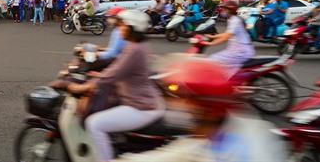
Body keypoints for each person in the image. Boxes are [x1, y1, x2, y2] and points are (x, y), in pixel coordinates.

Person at [120, 58, 287, 162]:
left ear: (205, 108)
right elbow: (175, 154)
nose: (178, 105)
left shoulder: (242, 145)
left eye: (186, 100)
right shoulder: (211, 136)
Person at [67, 9, 165, 162]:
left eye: (123, 26)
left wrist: (83, 87)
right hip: (141, 100)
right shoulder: (137, 45)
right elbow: (117, 69)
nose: (119, 29)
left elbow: (113, 73)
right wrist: (98, 76)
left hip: (140, 106)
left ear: (132, 28)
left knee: (94, 124)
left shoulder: (134, 50)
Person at [203, 0, 255, 78]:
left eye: (224, 9)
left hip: (239, 52)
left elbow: (226, 37)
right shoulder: (233, 19)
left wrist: (210, 43)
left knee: (212, 60)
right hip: (237, 50)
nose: (223, 11)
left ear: (230, 10)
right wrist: (213, 36)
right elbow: (226, 33)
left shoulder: (235, 21)